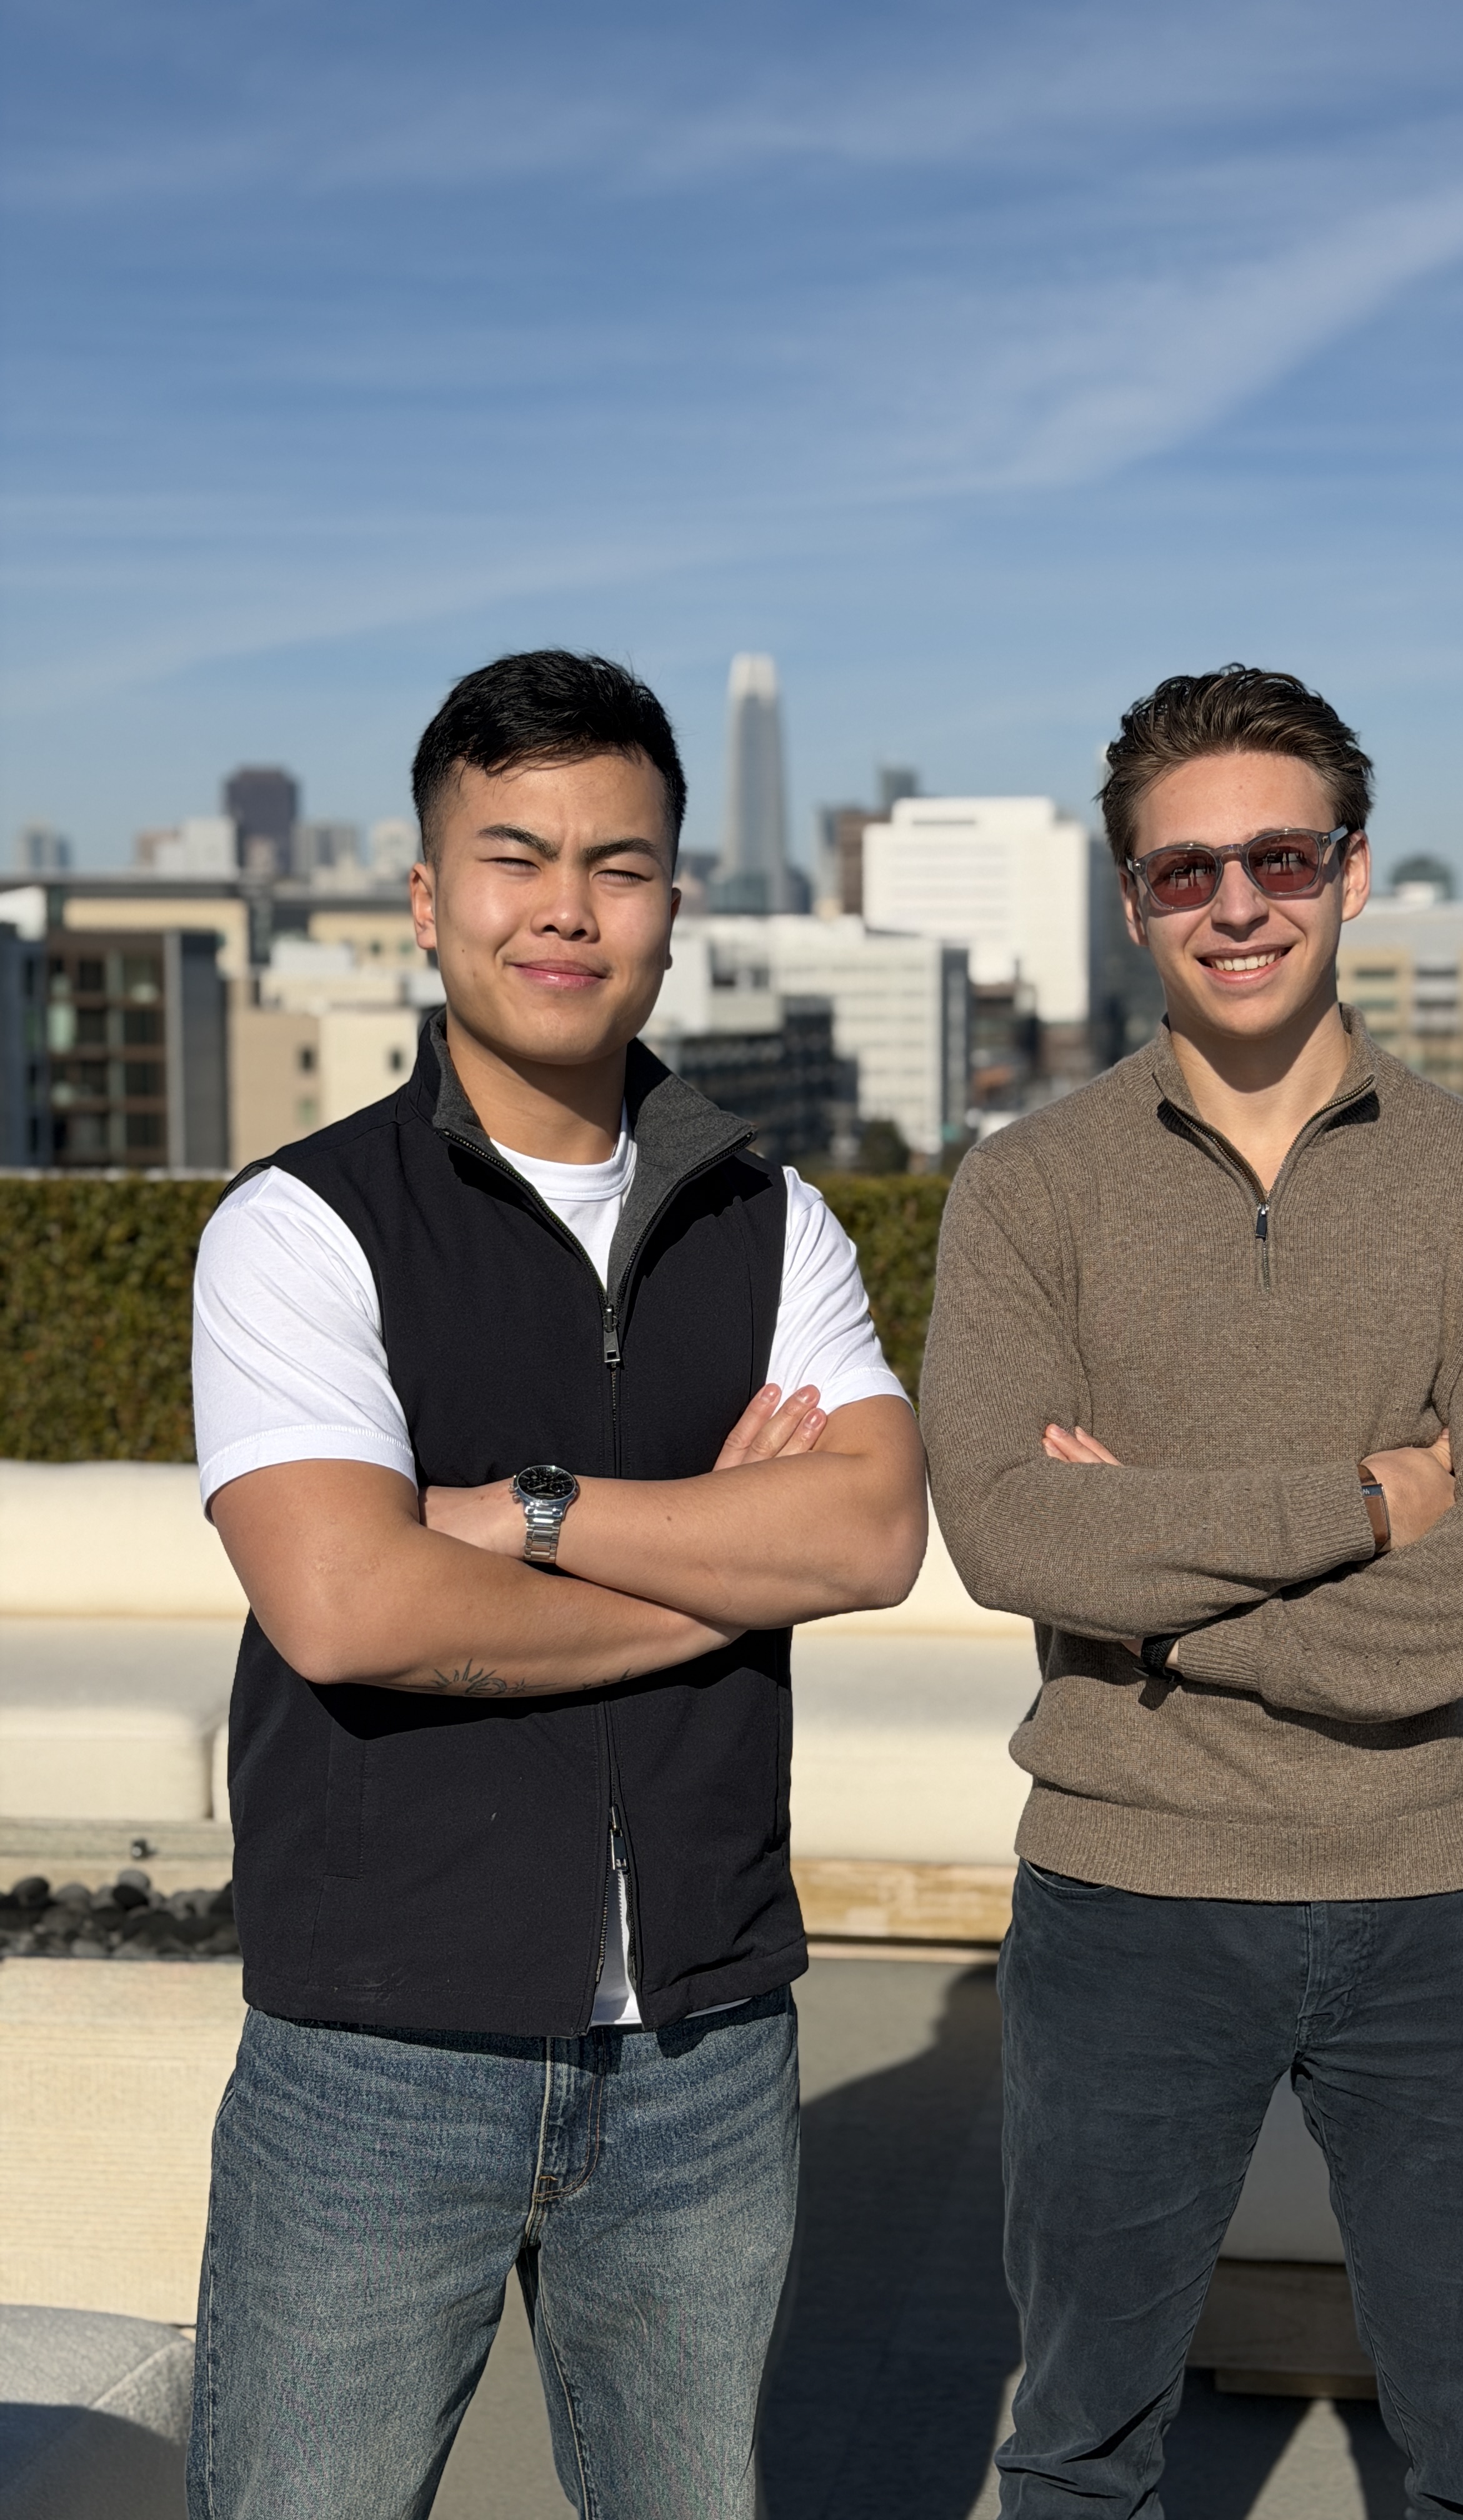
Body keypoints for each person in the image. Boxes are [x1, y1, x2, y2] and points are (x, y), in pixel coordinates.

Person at [189, 649, 927, 2520]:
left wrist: (519, 1511)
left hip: (703, 2049)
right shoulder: (297, 1228)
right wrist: (719, 1572)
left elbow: (866, 1537)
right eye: (514, 858)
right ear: (429, 901)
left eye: (619, 863)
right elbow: (349, 1612)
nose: (567, 907)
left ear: (675, 903)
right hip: (375, 2053)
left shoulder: (771, 1222)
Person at [921, 666, 1463, 2519]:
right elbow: (1003, 1533)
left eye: (1281, 857)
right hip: (1124, 1898)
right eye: (1184, 872)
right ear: (1132, 900)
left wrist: (1152, 1590)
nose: (1237, 904)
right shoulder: (1023, 1190)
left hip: (1438, 1901)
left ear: (1354, 871)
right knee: (1076, 2458)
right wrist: (1368, 1505)